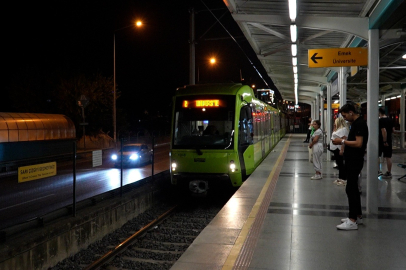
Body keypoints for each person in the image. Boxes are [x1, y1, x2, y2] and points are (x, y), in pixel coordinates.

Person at [332, 103, 368, 230]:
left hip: (354, 161)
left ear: (351, 112)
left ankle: (352, 220)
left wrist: (341, 141)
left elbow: (358, 143)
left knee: (351, 189)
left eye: (345, 115)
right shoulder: (356, 123)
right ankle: (357, 216)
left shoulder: (359, 124)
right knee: (352, 189)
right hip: (353, 160)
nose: (345, 118)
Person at [330, 117, 349, 186]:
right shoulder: (338, 129)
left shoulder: (343, 130)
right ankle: (340, 177)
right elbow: (333, 135)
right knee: (339, 163)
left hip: (339, 148)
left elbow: (344, 140)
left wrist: (342, 149)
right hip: (335, 148)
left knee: (341, 164)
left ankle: (343, 178)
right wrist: (334, 127)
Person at [378, 107, 394, 178]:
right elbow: (393, 129)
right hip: (389, 141)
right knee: (388, 156)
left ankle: (378, 171)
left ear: (379, 112)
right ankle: (389, 172)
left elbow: (383, 131)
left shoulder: (380, 120)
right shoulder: (390, 119)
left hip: (382, 141)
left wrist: (384, 141)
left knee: (377, 156)